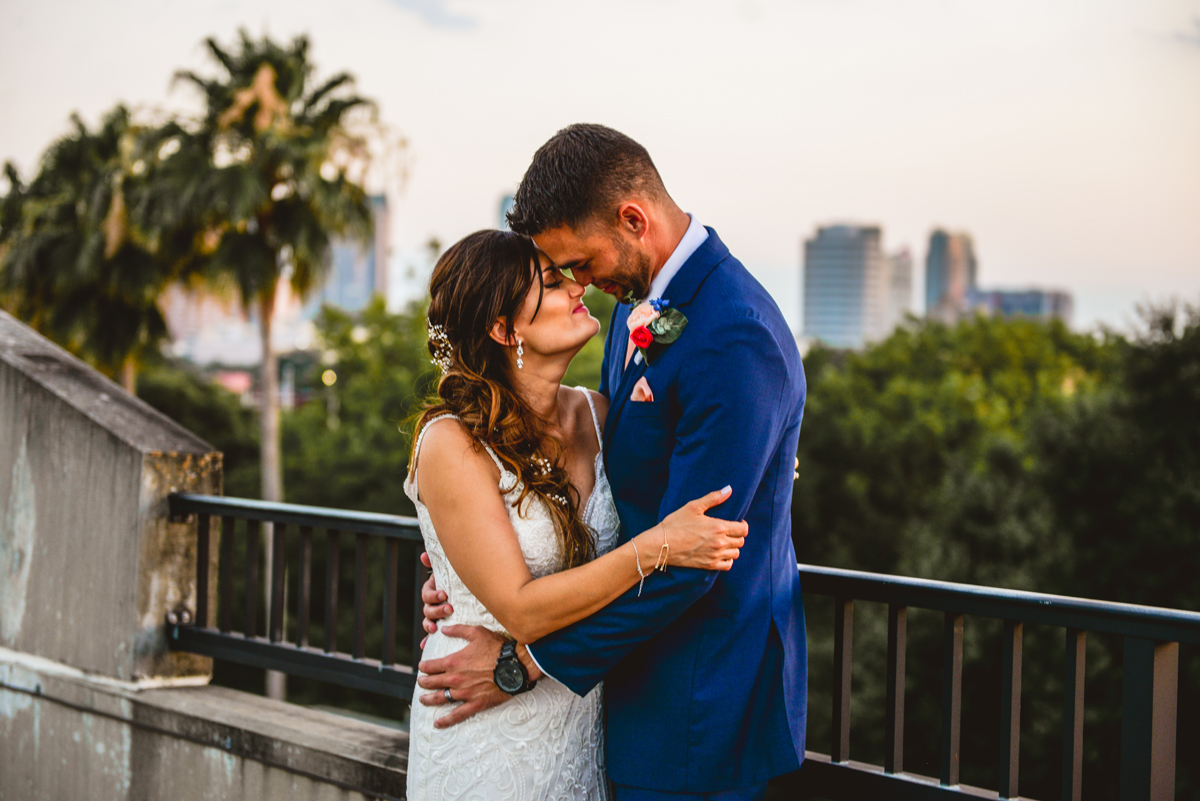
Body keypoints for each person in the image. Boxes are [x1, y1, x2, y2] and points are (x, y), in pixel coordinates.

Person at [417, 124, 808, 801]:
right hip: (610, 698)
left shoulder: (734, 332)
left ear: (633, 219)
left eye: (577, 261)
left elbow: (694, 559)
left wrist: (522, 662)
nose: (579, 283)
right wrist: (458, 569)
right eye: (558, 274)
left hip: (693, 703)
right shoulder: (639, 306)